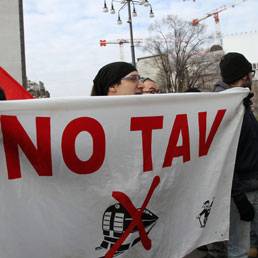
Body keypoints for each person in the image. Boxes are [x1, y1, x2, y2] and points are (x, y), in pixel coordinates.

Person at [207, 52, 258, 258]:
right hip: (240, 190)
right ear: (245, 76)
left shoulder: (240, 103)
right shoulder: (227, 107)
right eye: (251, 73)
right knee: (239, 249)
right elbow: (224, 157)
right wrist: (239, 198)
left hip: (250, 185)